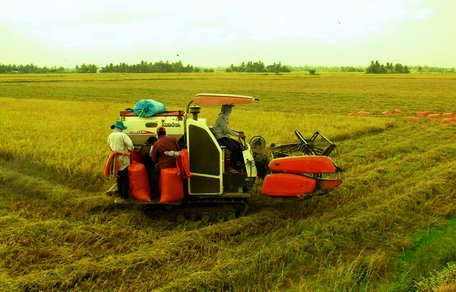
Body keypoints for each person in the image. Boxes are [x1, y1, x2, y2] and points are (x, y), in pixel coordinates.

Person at [211, 104, 245, 173]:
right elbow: (226, 130)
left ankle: (238, 162)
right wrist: (238, 135)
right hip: (220, 136)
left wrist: (237, 132)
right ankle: (231, 167)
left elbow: (227, 129)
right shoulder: (222, 117)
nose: (230, 109)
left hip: (223, 135)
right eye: (229, 107)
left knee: (238, 144)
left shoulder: (224, 116)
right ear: (226, 108)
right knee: (235, 148)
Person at [149, 126, 180, 198]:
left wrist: (157, 162)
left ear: (157, 134)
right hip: (175, 164)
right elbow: (178, 150)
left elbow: (153, 159)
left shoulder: (156, 143)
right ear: (165, 133)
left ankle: (155, 193)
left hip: (163, 166)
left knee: (153, 174)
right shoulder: (173, 139)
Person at [107, 120, 133, 202]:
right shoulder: (123, 135)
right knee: (125, 177)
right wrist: (130, 149)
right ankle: (125, 195)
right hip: (123, 158)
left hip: (114, 158)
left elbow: (109, 146)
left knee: (118, 176)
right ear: (120, 128)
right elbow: (131, 145)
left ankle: (120, 194)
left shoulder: (110, 136)